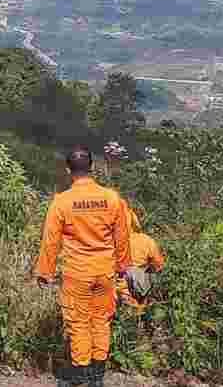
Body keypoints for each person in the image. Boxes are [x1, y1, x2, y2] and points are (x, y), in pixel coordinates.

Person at [36, 145, 132, 387]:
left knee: (78, 323)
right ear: (92, 168)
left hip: (77, 274)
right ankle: (97, 376)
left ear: (69, 170)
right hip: (105, 273)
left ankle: (80, 375)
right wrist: (123, 266)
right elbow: (122, 236)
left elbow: (50, 241)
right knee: (101, 320)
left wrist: (44, 272)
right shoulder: (112, 198)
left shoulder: (62, 202)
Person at [115, 202, 166, 311]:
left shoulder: (109, 241)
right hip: (138, 287)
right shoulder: (145, 240)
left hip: (116, 287)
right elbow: (159, 265)